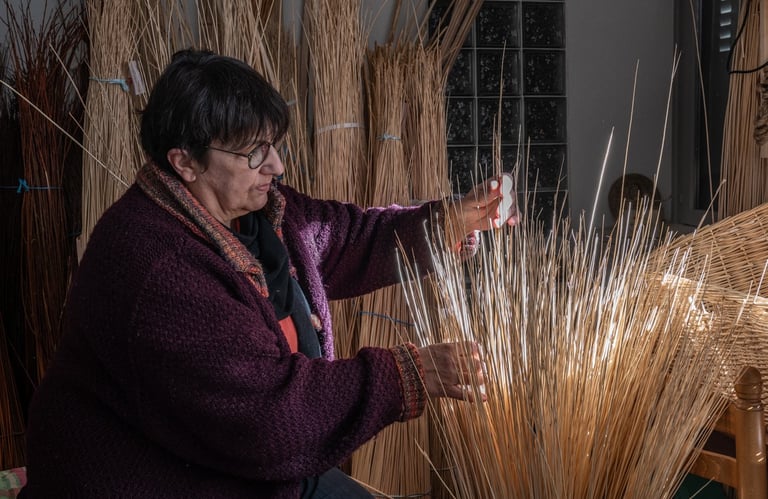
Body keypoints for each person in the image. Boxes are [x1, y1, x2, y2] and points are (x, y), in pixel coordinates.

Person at [18, 49, 519, 499]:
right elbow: (268, 417)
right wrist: (410, 373)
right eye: (253, 152)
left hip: (256, 468)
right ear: (185, 162)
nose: (276, 165)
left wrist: (448, 221)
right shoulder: (156, 267)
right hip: (164, 480)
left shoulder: (258, 214)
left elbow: (347, 238)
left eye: (273, 145)